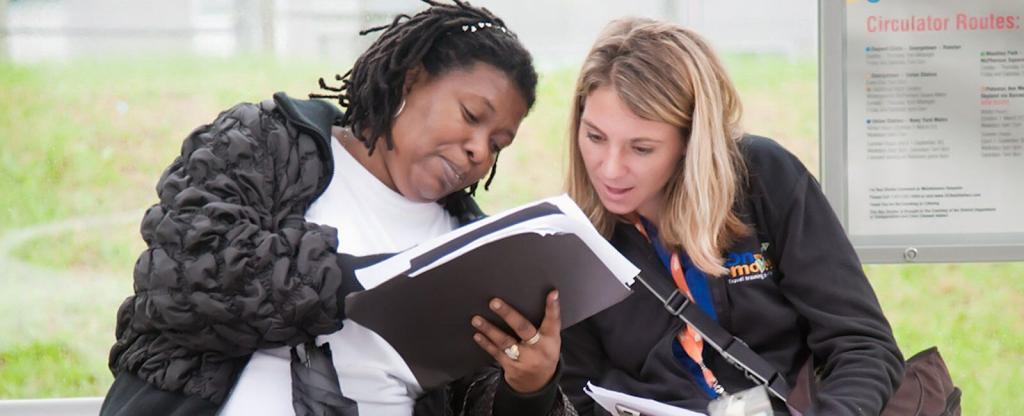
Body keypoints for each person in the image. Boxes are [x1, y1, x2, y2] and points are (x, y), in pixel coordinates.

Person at [100, 1, 572, 415]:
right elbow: (183, 273)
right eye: (471, 116)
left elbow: (471, 398)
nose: (479, 151)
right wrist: (369, 280)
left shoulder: (471, 247)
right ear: (412, 78)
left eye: (498, 143)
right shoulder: (267, 143)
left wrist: (527, 389)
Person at [560, 17, 905, 415]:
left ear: (691, 140)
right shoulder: (572, 240)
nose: (610, 169)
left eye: (642, 148)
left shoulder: (764, 177)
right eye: (595, 137)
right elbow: (577, 393)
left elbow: (862, 345)